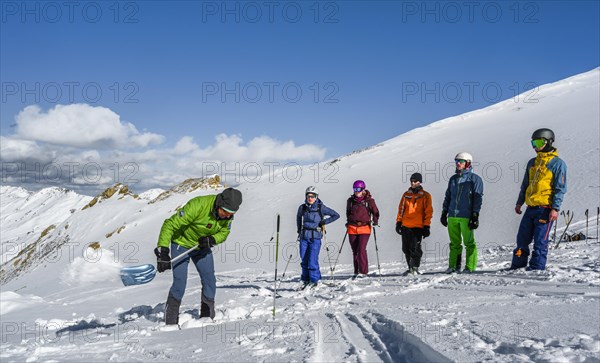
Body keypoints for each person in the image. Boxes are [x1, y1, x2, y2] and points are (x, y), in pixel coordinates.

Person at [154, 187, 242, 325]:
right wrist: (163, 251)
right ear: (219, 204)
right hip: (181, 244)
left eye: (232, 213)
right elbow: (169, 224)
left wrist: (212, 239)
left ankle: (207, 318)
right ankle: (170, 321)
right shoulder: (198, 205)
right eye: (225, 212)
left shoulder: (228, 215)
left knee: (209, 280)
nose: (227, 216)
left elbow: (224, 233)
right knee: (180, 282)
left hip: (201, 247)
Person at [511, 128, 567, 271]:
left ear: (548, 142)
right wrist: (519, 202)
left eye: (538, 142)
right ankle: (517, 266)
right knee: (522, 239)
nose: (535, 146)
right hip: (530, 208)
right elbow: (525, 184)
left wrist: (555, 208)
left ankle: (536, 268)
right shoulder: (532, 162)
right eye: (533, 143)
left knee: (540, 241)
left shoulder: (557, 163)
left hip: (545, 209)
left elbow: (560, 188)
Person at [440, 152, 484, 273]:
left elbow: (478, 199)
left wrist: (475, 215)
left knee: (469, 243)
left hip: (466, 215)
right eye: (456, 161)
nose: (458, 164)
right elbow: (448, 196)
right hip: (452, 216)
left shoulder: (475, 179)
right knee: (454, 243)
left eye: (461, 161)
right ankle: (453, 266)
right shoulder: (453, 179)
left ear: (468, 163)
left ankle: (470, 266)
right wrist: (444, 212)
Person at [296, 186, 340, 288]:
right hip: (304, 237)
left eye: (313, 196)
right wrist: (299, 230)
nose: (310, 198)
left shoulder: (321, 208)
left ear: (316, 197)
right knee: (304, 258)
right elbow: (298, 217)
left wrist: (324, 222)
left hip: (315, 237)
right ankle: (305, 279)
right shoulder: (302, 207)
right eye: (308, 196)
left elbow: (336, 215)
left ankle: (314, 280)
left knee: (312, 260)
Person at [395, 172, 433, 275]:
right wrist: (398, 222)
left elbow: (428, 211)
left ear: (420, 182)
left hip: (418, 226)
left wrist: (426, 226)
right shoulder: (406, 194)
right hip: (406, 225)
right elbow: (401, 209)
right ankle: (410, 268)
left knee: (415, 248)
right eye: (411, 181)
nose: (413, 183)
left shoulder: (425, 195)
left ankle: (414, 267)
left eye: (415, 181)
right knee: (405, 248)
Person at [346, 180, 380, 278]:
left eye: (358, 189)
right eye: (355, 189)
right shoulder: (350, 201)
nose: (356, 191)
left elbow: (376, 212)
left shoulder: (369, 201)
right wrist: (348, 221)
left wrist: (375, 221)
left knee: (361, 249)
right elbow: (348, 212)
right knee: (355, 250)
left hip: (365, 227)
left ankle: (363, 272)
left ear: (363, 189)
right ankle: (356, 271)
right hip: (352, 228)